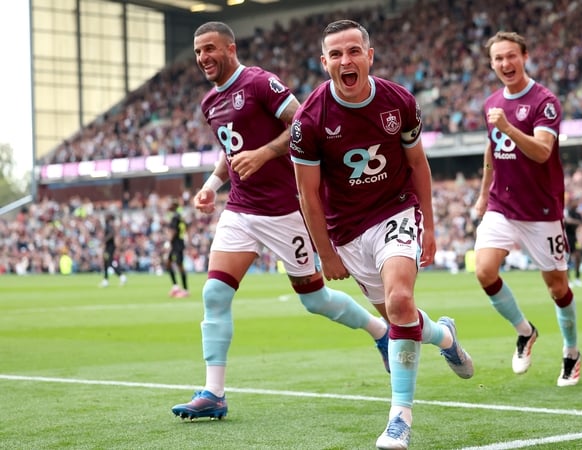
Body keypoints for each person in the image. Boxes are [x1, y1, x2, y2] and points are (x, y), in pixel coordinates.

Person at [171, 21, 391, 422]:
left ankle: (380, 332)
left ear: (230, 49)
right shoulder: (210, 103)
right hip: (241, 210)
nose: (203, 57)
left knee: (315, 300)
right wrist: (211, 184)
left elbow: (301, 124)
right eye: (198, 50)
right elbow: (230, 148)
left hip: (286, 210)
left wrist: (266, 154)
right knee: (214, 296)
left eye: (210, 49)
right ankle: (213, 392)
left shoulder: (259, 84)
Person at [290, 19, 473, 450]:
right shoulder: (309, 120)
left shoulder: (399, 102)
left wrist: (428, 223)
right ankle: (445, 336)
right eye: (335, 54)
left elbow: (418, 163)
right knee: (399, 321)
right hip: (347, 230)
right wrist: (326, 253)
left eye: (354, 51)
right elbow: (307, 193)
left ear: (370, 55)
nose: (345, 60)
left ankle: (399, 418)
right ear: (324, 63)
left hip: (396, 210)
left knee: (401, 302)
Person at [472, 31, 581, 387]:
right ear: (491, 64)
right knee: (485, 271)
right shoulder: (491, 101)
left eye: (511, 56)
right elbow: (492, 149)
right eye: (498, 59)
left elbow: (542, 152)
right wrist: (483, 194)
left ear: (525, 56)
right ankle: (525, 331)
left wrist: (507, 126)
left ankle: (571, 352)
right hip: (502, 204)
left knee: (557, 288)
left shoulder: (544, 101)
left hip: (541, 210)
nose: (505, 64)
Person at [165, 200, 189, 298]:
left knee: (179, 266)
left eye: (169, 204)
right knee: (168, 263)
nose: (168, 206)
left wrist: (168, 242)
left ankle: (185, 290)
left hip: (177, 244)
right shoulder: (178, 216)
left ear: (174, 206)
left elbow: (174, 231)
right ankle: (175, 287)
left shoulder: (175, 216)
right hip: (177, 243)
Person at [99, 213, 126, 287]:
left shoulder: (108, 226)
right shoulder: (108, 226)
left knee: (109, 263)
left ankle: (121, 276)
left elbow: (112, 233)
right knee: (106, 263)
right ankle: (106, 279)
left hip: (110, 248)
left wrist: (104, 240)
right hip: (109, 247)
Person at [564, 197, 582, 287]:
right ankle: (568, 280)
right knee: (566, 259)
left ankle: (577, 277)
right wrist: (578, 222)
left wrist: (581, 238)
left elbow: (581, 226)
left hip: (575, 238)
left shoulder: (578, 214)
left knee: (578, 258)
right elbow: (567, 220)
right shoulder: (567, 211)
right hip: (566, 237)